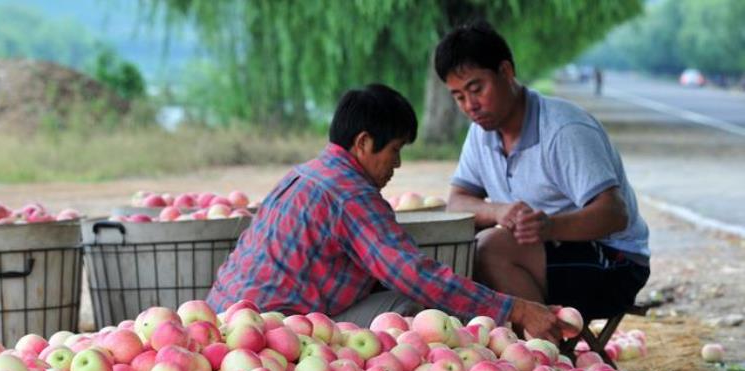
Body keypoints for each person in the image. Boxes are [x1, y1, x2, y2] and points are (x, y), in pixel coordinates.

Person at [207, 83, 567, 341]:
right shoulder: (350, 194)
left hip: (220, 318)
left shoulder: (306, 173)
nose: (396, 163)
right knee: (411, 306)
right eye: (393, 150)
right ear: (363, 142)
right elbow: (413, 274)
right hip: (273, 333)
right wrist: (514, 309)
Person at [434, 21, 650, 321]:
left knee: (489, 249)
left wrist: (548, 228)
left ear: (506, 73)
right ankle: (525, 349)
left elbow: (614, 213)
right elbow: (457, 201)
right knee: (457, 256)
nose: (470, 105)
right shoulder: (480, 132)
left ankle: (544, 355)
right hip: (548, 254)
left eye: (476, 89)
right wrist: (498, 212)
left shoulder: (563, 130)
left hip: (615, 263)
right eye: (459, 97)